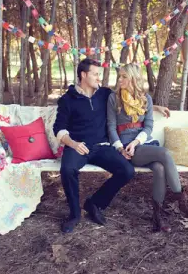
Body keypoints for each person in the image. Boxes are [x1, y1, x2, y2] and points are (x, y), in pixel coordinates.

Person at [106, 63, 188, 232]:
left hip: (144, 142)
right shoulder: (114, 98)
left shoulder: (146, 99)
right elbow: (110, 126)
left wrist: (137, 141)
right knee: (165, 153)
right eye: (119, 76)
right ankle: (183, 201)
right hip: (128, 148)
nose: (119, 79)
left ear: (134, 79)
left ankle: (157, 217)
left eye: (124, 76)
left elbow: (148, 126)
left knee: (159, 168)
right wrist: (120, 148)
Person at [53, 58, 136, 233]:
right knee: (67, 169)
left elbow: (130, 100)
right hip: (79, 146)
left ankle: (95, 203)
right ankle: (75, 214)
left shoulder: (105, 94)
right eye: (96, 74)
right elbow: (59, 129)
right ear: (83, 75)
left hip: (102, 146)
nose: (99, 77)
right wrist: (73, 144)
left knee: (127, 171)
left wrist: (155, 107)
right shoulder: (67, 100)